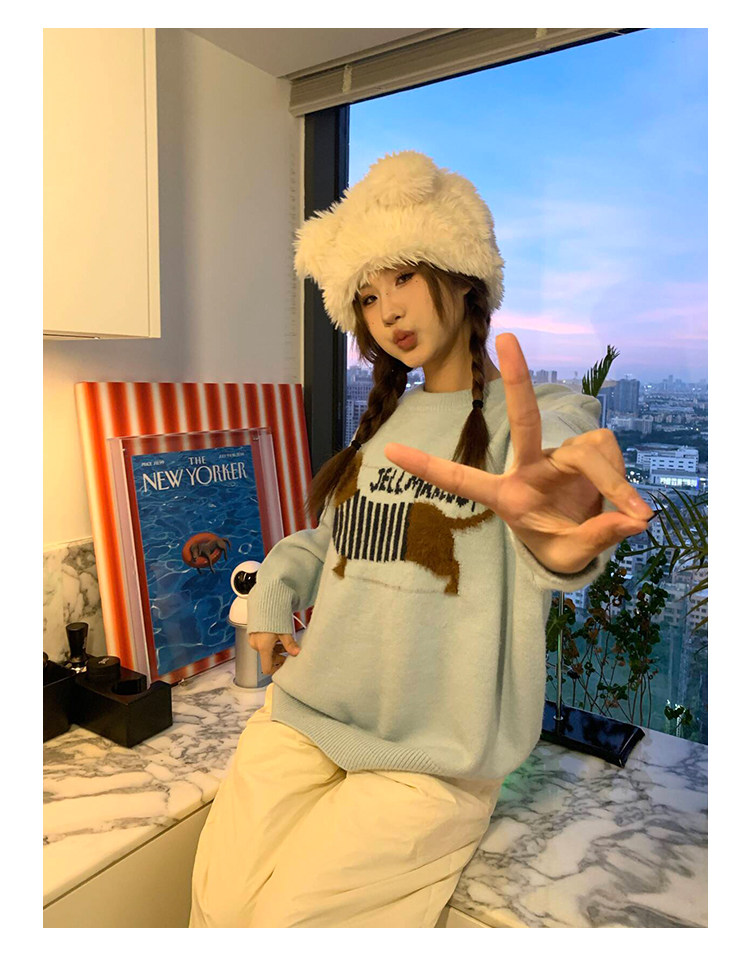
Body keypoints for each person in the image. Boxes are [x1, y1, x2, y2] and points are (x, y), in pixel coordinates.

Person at [189, 150, 654, 928]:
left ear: (463, 274)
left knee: (283, 925)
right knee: (214, 907)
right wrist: (273, 587)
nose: (388, 311)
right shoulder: (386, 423)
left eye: (403, 276)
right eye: (368, 296)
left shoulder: (539, 412)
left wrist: (559, 523)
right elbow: (335, 543)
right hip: (304, 714)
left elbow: (556, 482)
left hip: (433, 760)